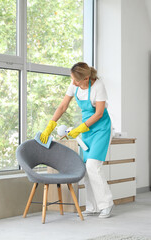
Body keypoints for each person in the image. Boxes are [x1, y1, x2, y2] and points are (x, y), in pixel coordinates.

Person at [40, 62, 114, 218]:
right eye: (72, 79)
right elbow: (62, 106)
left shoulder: (98, 86)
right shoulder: (75, 85)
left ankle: (106, 204)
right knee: (86, 168)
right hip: (87, 130)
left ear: (86, 78)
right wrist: (50, 126)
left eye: (77, 81)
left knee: (93, 165)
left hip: (101, 129)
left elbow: (99, 113)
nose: (73, 83)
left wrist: (79, 129)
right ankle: (92, 207)